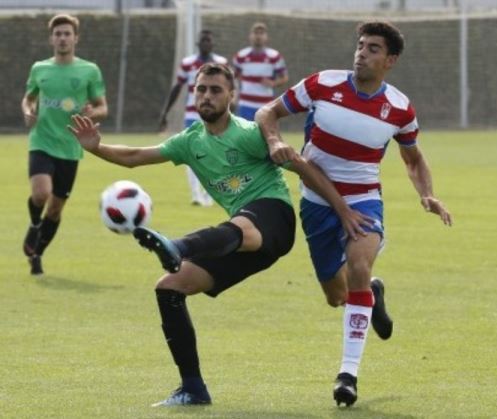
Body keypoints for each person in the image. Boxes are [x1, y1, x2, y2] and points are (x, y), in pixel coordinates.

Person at [68, 63, 371, 407]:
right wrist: (96, 147)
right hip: (239, 239)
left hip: (273, 217)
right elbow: (137, 156)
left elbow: (303, 166)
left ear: (232, 95)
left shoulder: (247, 133)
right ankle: (193, 388)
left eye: (215, 89)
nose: (207, 95)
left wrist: (343, 210)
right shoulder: (189, 141)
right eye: (201, 89)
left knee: (243, 227)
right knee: (169, 288)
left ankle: (176, 246)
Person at [256, 21, 452, 407]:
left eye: (373, 48)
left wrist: (427, 194)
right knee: (337, 296)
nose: (362, 52)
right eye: (361, 45)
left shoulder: (399, 108)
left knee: (359, 265)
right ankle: (371, 296)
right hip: (316, 202)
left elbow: (413, 158)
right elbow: (267, 112)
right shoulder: (322, 84)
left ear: (390, 60)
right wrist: (275, 138)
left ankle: (348, 375)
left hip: (363, 201)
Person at [21, 14, 108, 275]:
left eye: (67, 33)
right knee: (41, 194)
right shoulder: (39, 68)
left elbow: (103, 107)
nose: (62, 38)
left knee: (56, 209)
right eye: (58, 33)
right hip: (42, 140)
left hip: (70, 147)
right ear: (51, 38)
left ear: (75, 38)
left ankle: (37, 254)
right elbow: (28, 99)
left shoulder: (89, 70)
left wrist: (91, 113)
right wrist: (28, 111)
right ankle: (35, 224)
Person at [159, 29, 227, 206]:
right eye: (203, 40)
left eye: (209, 41)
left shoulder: (221, 63)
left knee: (216, 153)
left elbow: (228, 90)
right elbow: (177, 87)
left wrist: (229, 110)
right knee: (192, 154)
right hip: (192, 114)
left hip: (216, 114)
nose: (206, 43)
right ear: (198, 43)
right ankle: (196, 194)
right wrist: (165, 112)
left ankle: (210, 193)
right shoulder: (188, 63)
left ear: (213, 44)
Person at [232, 22, 288, 121]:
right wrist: (235, 95)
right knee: (245, 135)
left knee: (264, 134)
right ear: (250, 36)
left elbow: (284, 78)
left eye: (261, 33)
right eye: (255, 33)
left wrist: (273, 83)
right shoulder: (241, 56)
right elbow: (233, 78)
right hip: (245, 103)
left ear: (266, 37)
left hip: (265, 104)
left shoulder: (274, 57)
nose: (258, 36)